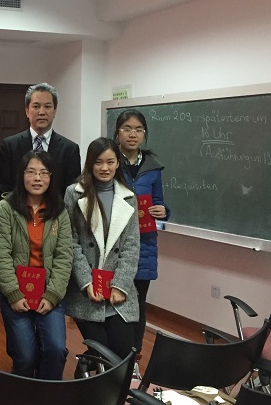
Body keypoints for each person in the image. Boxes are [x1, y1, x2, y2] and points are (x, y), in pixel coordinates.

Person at [0, 150, 73, 380]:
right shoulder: (6, 208)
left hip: (49, 292)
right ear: (22, 175)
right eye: (31, 172)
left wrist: (53, 294)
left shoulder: (59, 211)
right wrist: (13, 293)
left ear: (51, 177)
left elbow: (64, 256)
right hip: (16, 292)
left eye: (44, 173)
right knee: (26, 357)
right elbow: (1, 255)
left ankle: (47, 394)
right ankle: (24, 392)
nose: (37, 178)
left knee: (56, 350)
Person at [63, 137, 140, 370]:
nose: (104, 168)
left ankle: (91, 373)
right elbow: (70, 242)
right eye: (98, 162)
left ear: (118, 163)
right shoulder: (74, 193)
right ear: (90, 163)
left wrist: (120, 285)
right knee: (101, 350)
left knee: (124, 351)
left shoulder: (129, 197)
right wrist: (86, 282)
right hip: (86, 292)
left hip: (117, 290)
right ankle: (86, 377)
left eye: (110, 162)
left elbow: (131, 245)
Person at [114, 109, 170, 370]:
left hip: (144, 245)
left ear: (144, 134)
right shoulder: (109, 162)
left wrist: (163, 211)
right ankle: (112, 357)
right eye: (127, 128)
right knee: (115, 301)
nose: (132, 134)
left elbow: (159, 203)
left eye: (138, 129)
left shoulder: (153, 168)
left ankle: (133, 359)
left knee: (138, 303)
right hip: (115, 244)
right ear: (117, 133)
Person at [0, 83, 81, 200]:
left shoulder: (69, 149)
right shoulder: (10, 145)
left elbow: (71, 192)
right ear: (27, 111)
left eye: (47, 106)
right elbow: (2, 186)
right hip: (17, 210)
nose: (42, 112)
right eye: (36, 106)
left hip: (57, 211)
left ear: (55, 111)